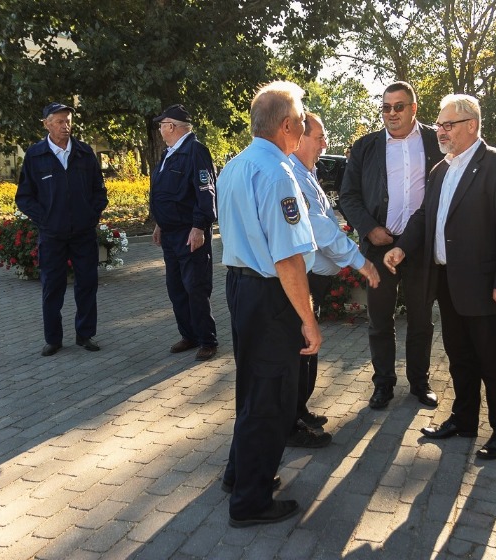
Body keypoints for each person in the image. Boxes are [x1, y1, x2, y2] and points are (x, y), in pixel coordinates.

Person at [383, 93, 496, 460]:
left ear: (472, 126)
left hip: (486, 286)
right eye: (439, 125)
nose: (441, 131)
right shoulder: (441, 169)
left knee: (492, 361)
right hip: (447, 282)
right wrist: (404, 246)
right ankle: (464, 420)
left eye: (448, 125)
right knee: (459, 357)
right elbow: (423, 217)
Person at [217, 81, 321, 527]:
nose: (303, 126)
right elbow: (288, 259)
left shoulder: (235, 165)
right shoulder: (279, 173)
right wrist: (309, 319)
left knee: (251, 388)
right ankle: (250, 501)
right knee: (272, 398)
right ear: (285, 125)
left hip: (240, 288)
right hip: (269, 293)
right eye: (301, 119)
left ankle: (239, 474)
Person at [339, 81, 444, 410]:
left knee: (420, 319)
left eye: (399, 106)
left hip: (420, 247)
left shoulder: (434, 141)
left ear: (414, 108)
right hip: (380, 247)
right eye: (386, 107)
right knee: (380, 320)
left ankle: (419, 383)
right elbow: (348, 196)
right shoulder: (365, 146)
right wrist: (369, 229)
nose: (391, 113)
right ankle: (383, 384)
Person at [288, 112, 381, 448]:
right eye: (319, 136)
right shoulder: (293, 176)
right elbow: (318, 226)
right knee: (300, 348)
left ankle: (299, 409)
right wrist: (359, 261)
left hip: (317, 279)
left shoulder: (307, 173)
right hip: (304, 279)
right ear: (299, 137)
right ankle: (290, 421)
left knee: (308, 348)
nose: (325, 143)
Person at [16, 102, 108, 357]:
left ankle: (85, 334)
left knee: (87, 284)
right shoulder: (35, 155)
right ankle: (53, 339)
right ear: (46, 123)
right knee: (52, 287)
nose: (65, 126)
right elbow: (24, 197)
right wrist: (45, 219)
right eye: (59, 121)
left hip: (83, 233)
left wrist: (91, 216)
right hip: (52, 235)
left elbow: (99, 191)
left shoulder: (84, 152)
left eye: (68, 121)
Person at [150, 104, 218, 361]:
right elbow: (166, 193)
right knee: (176, 287)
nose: (159, 129)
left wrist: (199, 226)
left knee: (195, 287)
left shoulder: (195, 151)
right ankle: (188, 334)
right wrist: (159, 223)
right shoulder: (170, 153)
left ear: (172, 126)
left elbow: (205, 191)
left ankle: (207, 340)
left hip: (190, 233)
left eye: (161, 124)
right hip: (170, 233)